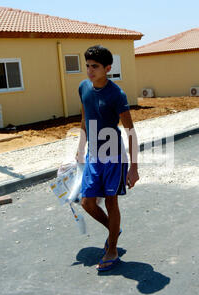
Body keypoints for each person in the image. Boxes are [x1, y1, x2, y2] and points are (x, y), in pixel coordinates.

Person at [76, 45, 140, 270]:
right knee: (87, 202)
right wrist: (80, 148)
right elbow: (84, 119)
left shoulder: (117, 94)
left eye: (95, 66)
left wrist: (134, 167)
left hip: (114, 157)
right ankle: (114, 229)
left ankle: (112, 249)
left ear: (108, 68)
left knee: (112, 202)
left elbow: (130, 131)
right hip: (93, 155)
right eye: (87, 66)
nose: (90, 71)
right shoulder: (83, 87)